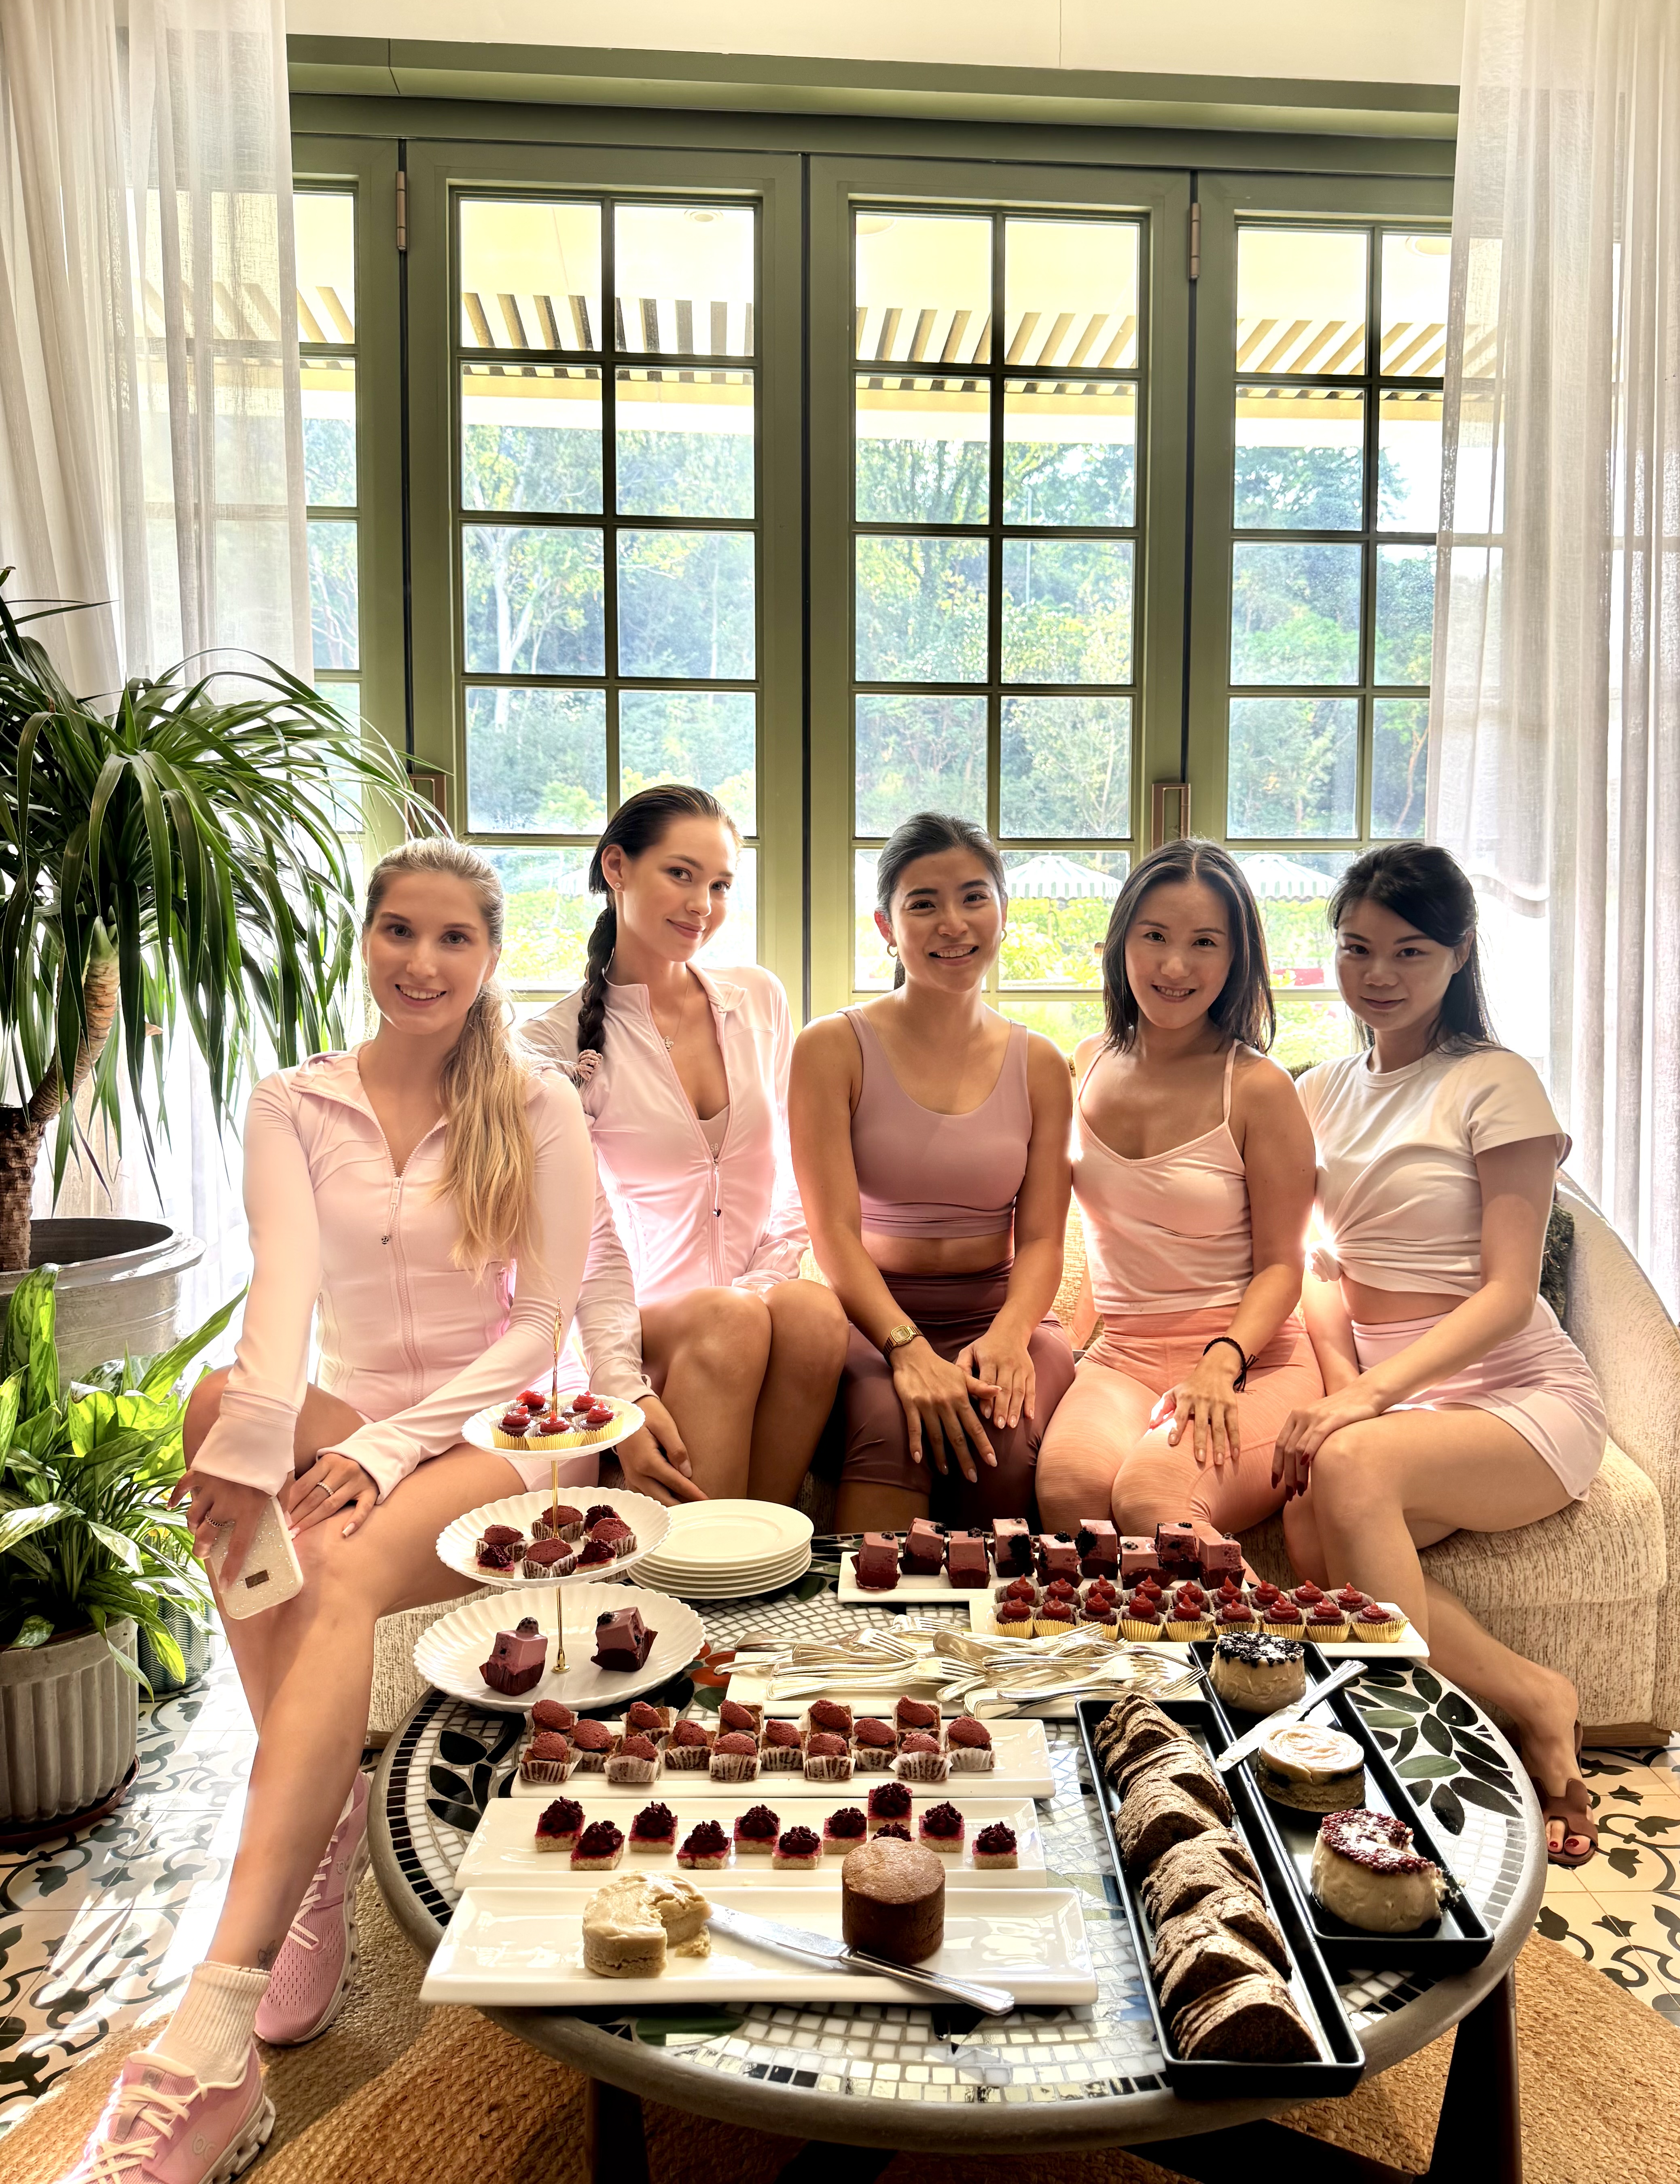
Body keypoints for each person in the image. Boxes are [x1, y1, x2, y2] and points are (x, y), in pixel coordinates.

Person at [58, 839, 596, 2184]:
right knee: (215, 1415)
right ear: (366, 941)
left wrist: (390, 1447)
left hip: (504, 1435)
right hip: (353, 1414)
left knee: (337, 1565)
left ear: (490, 956)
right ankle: (322, 1820)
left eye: (454, 938)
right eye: (398, 930)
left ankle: (213, 2035)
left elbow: (541, 1326)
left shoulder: (536, 1102)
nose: (422, 961)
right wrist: (254, 1436)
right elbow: (284, 1294)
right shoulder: (293, 1102)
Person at [1280, 840, 1607, 1866]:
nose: (1378, 975)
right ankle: (1535, 1697)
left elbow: (1509, 1294)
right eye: (1357, 948)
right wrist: (1347, 1389)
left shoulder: (1494, 1083)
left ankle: (1412, 1771)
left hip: (1522, 1397)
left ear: (1460, 953)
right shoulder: (1319, 1092)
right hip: (1404, 1405)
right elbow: (1318, 1267)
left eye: (1410, 952)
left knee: (1347, 1465)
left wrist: (1366, 1402)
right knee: (1306, 1517)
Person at [522, 784, 846, 1506]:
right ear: (617, 868)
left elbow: (800, 1173)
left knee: (814, 1312)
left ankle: (754, 1547)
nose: (703, 904)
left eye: (721, 885)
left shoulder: (759, 999)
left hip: (751, 1309)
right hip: (633, 1329)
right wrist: (621, 1385)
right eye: (681, 874)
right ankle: (710, 1558)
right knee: (730, 1321)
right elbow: (584, 1239)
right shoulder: (549, 1043)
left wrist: (758, 1288)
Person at [789, 813, 1074, 1532]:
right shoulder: (831, 1049)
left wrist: (1011, 1334)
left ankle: (1000, 1612)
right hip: (873, 1321)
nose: (954, 923)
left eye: (974, 897)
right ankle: (865, 1611)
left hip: (1002, 1317)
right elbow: (833, 1232)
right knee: (893, 1425)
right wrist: (905, 1348)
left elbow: (1043, 1239)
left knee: (1000, 1439)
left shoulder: (1042, 1063)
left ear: (1003, 911)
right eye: (924, 904)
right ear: (886, 926)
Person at [1035, 839, 1322, 1537]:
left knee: (1153, 1498)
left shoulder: (1258, 1088)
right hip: (1123, 1355)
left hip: (1252, 1359)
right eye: (1155, 936)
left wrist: (1222, 1364)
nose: (1174, 966)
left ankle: (1261, 1621)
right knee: (1070, 1489)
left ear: (1235, 959)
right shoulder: (1088, 1062)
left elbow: (1284, 1267)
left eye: (1204, 943)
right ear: (1121, 941)